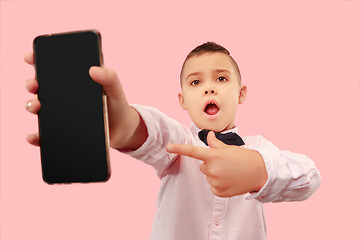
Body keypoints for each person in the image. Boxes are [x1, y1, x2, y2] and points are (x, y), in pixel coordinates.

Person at [25, 42, 321, 240]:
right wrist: (124, 124)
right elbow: (156, 133)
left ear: (241, 93)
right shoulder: (180, 143)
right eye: (196, 82)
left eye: (221, 79)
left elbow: (308, 176)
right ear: (182, 100)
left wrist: (260, 170)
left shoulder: (259, 147)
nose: (209, 89)